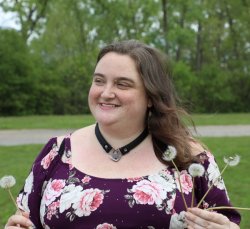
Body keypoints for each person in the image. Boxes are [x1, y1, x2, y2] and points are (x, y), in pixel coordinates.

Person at [5, 40, 240, 229]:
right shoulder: (56, 152)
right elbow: (25, 221)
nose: (106, 93)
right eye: (99, 81)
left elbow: (224, 222)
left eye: (122, 84)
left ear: (150, 96)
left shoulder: (191, 158)